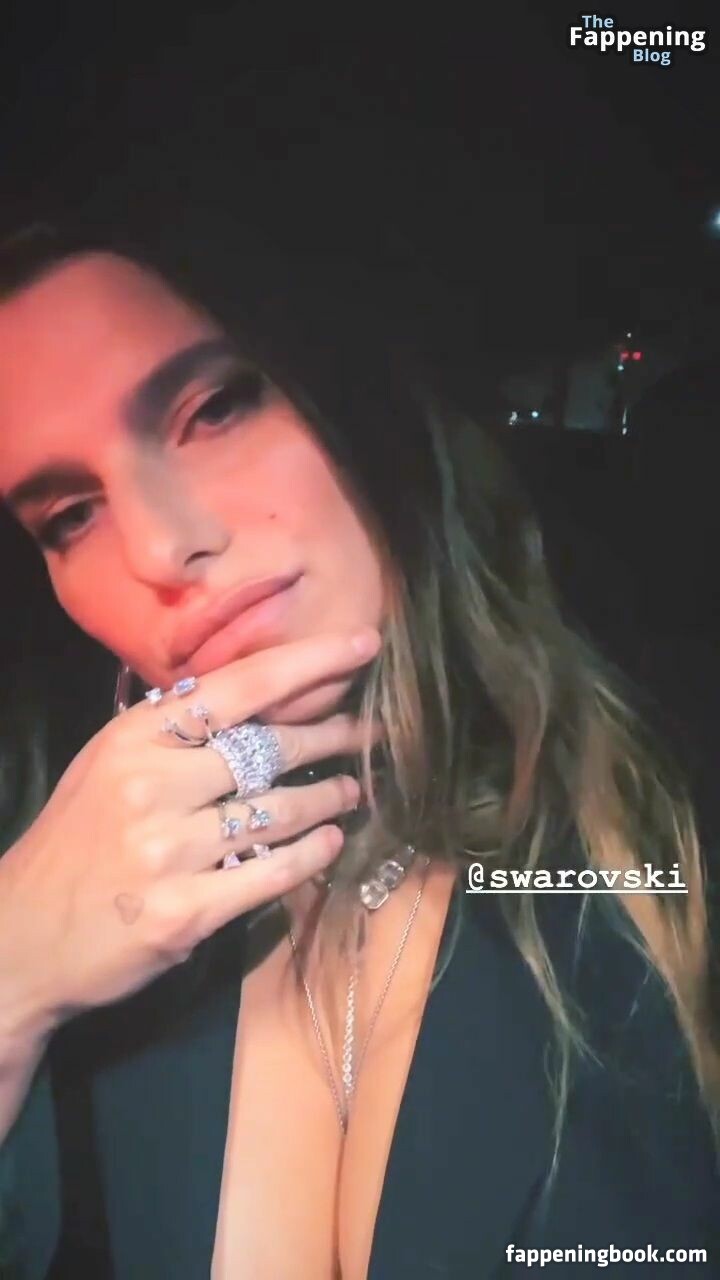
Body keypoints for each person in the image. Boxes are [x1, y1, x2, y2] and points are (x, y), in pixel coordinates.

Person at [0, 221, 718, 1280]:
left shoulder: (665, 820)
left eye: (215, 408)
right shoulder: (70, 907)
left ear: (355, 389)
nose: (159, 547)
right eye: (70, 515)